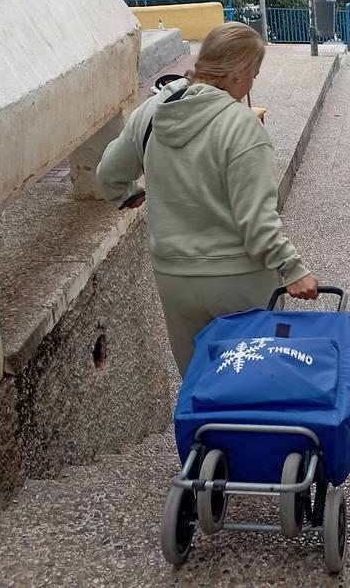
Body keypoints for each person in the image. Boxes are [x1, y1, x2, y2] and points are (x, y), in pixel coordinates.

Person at [96, 22, 318, 376]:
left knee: (201, 385)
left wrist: (125, 195)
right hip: (240, 280)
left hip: (175, 280)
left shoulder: (152, 113)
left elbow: (108, 173)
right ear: (239, 73)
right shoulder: (242, 127)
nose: (252, 84)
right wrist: (292, 269)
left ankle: (205, 434)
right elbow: (257, 222)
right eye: (254, 74)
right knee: (257, 385)